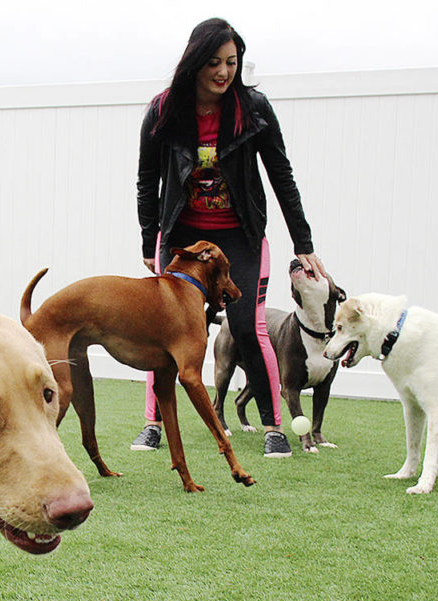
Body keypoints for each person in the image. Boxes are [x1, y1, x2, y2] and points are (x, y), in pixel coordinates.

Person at [131, 17, 326, 458]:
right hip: (182, 237)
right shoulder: (164, 111)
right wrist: (150, 243)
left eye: (232, 62)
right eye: (215, 62)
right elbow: (147, 181)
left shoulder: (252, 109)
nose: (224, 72)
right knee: (170, 329)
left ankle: (273, 425)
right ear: (195, 62)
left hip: (239, 235)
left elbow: (281, 176)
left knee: (245, 325)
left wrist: (303, 243)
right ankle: (153, 424)